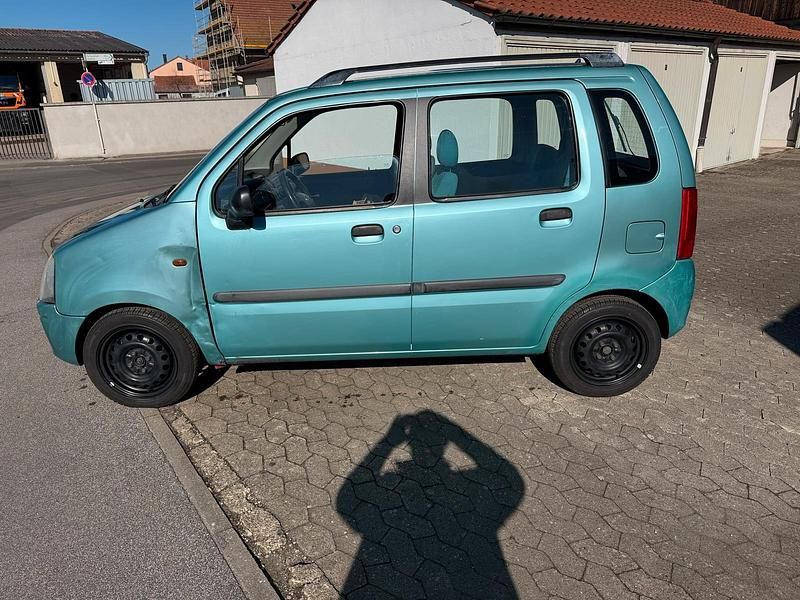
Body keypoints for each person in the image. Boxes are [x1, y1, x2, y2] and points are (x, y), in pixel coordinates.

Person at [337, 410, 525, 599]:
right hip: (480, 581)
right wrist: (454, 432)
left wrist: (390, 440)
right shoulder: (467, 488)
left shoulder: (390, 491)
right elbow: (510, 480)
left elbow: (346, 500)